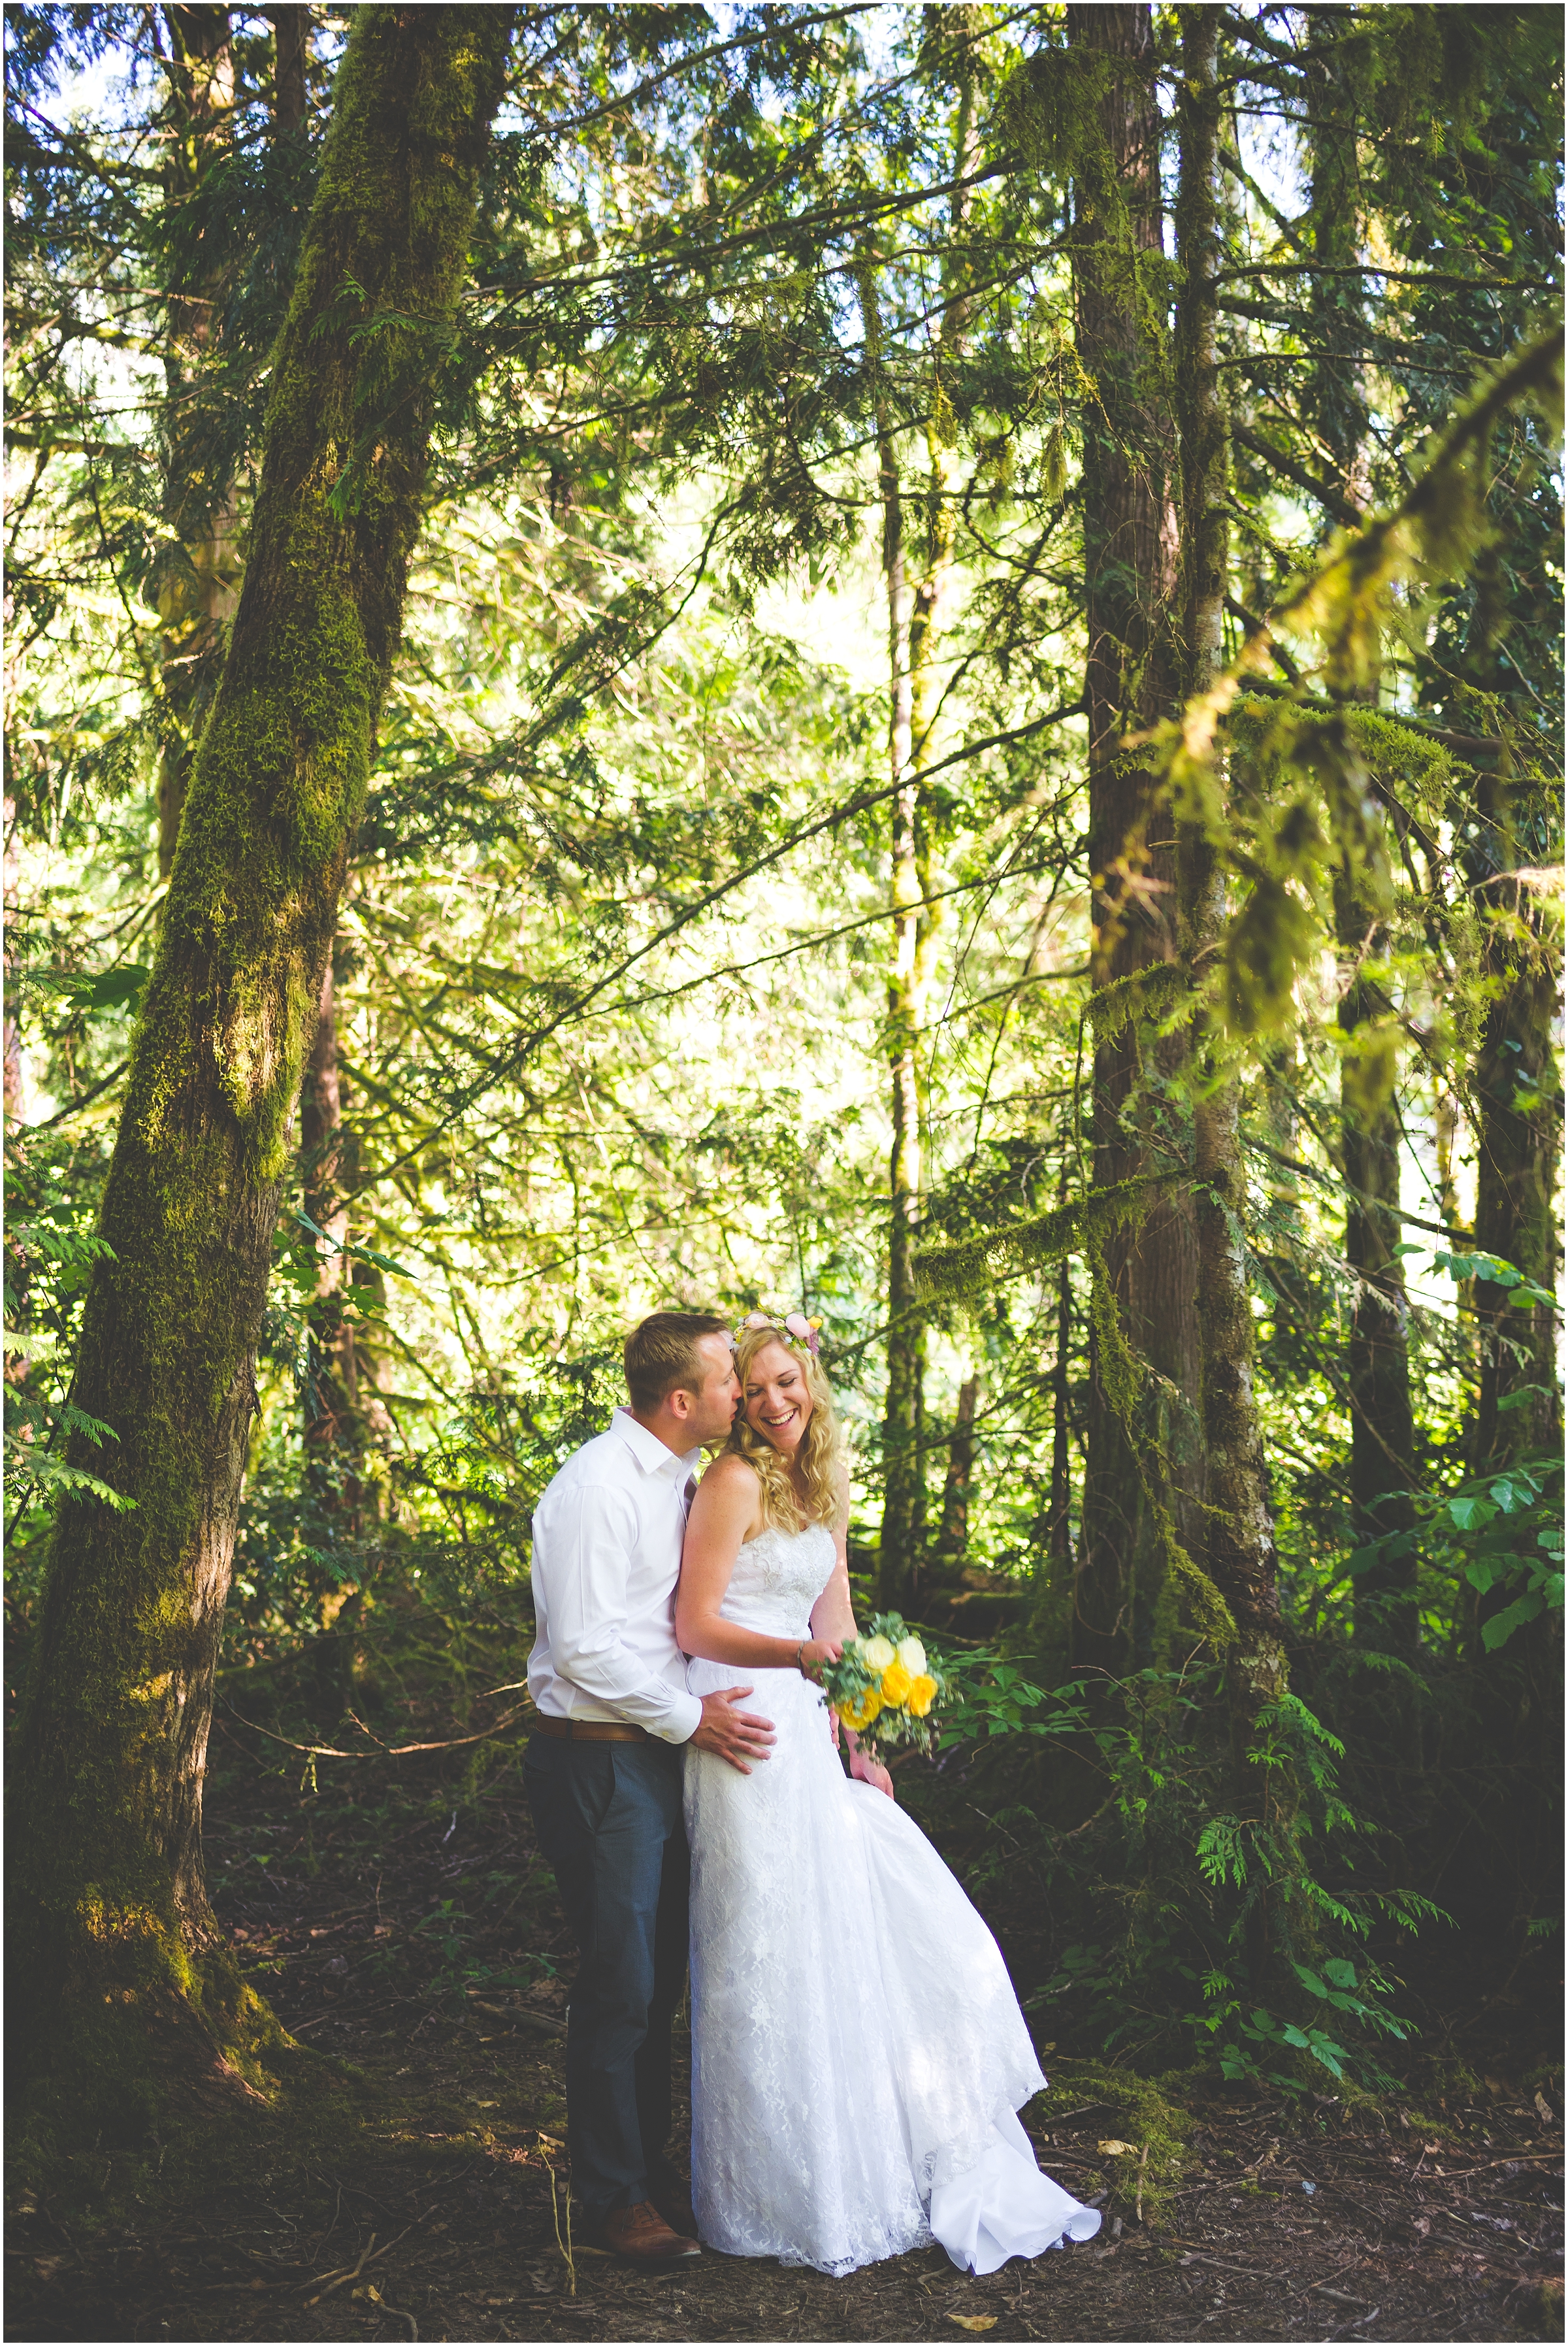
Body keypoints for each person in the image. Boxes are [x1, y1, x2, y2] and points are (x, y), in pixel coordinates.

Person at [676, 1316, 1102, 2277]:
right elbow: (695, 1620)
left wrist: (860, 1742)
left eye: (788, 1381)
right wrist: (793, 1658)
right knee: (755, 1942)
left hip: (808, 1730)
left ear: (809, 1382)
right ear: (734, 1401)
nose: (775, 1401)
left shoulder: (820, 1486)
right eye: (754, 1389)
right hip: (739, 1722)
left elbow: (838, 1624)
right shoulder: (731, 1482)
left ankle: (854, 2161)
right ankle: (766, 2191)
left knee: (832, 1934)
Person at [523, 1311, 777, 2267]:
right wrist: (690, 1718)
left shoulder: (679, 1480)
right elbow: (585, 1646)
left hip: (656, 1752)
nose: (740, 1394)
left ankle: (650, 2170)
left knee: (663, 1976)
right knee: (620, 1983)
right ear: (684, 1401)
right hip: (599, 1759)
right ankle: (611, 2198)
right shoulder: (597, 1488)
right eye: (726, 1381)